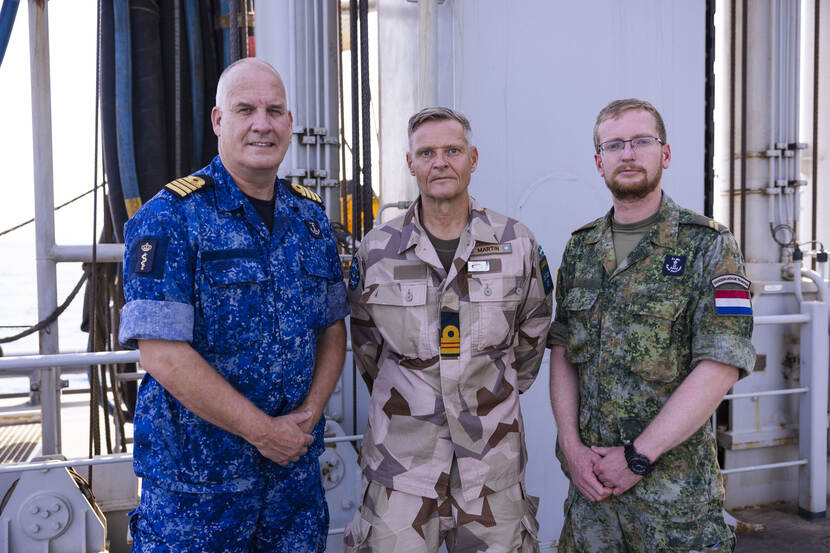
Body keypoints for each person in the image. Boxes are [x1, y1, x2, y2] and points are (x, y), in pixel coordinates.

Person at [119, 57, 348, 552]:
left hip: (292, 487)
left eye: (274, 111)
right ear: (218, 120)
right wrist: (264, 432)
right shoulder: (170, 218)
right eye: (246, 110)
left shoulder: (310, 218)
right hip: (197, 492)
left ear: (290, 123)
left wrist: (309, 415)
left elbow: (333, 328)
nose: (262, 124)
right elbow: (162, 354)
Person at [548, 98, 755, 552]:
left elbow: (721, 365)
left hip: (673, 503)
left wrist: (638, 457)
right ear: (599, 162)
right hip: (592, 500)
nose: (628, 154)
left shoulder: (709, 245)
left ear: (665, 153)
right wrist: (571, 449)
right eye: (614, 144)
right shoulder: (582, 248)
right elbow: (563, 351)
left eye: (641, 141)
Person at [345, 106, 553, 552]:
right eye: (427, 153)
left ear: (473, 159)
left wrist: (484, 389)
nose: (440, 162)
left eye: (453, 151)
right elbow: (367, 347)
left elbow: (532, 335)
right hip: (401, 469)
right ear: (410, 163)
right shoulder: (378, 251)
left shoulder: (516, 242)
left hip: (492, 469)